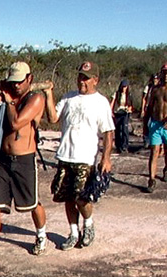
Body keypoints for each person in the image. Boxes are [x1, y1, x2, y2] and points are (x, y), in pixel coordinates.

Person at [0, 61, 48, 267]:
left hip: (24, 160)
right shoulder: (7, 100)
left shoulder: (35, 99)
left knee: (33, 203)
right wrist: (2, 101)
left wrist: (9, 102)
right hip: (2, 160)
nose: (15, 86)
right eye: (12, 82)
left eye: (19, 81)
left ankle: (41, 235)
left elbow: (16, 123)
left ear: (29, 79)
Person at [44, 61, 115, 251]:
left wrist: (106, 158)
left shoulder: (101, 102)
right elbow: (52, 118)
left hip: (85, 158)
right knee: (67, 197)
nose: (81, 81)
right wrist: (48, 94)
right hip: (65, 156)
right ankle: (73, 232)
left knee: (82, 198)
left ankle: (89, 224)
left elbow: (108, 132)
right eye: (80, 77)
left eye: (86, 78)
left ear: (95, 80)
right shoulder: (69, 98)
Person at [143, 61, 167, 193]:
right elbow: (149, 107)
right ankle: (151, 179)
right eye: (163, 72)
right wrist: (145, 124)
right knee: (154, 151)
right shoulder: (155, 89)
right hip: (155, 123)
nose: (165, 75)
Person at [110, 79, 133, 153]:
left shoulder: (129, 95)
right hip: (118, 113)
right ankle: (118, 145)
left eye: (125, 87)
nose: (124, 88)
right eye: (123, 87)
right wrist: (111, 111)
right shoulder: (117, 93)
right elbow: (112, 102)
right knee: (117, 130)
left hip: (125, 113)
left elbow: (131, 105)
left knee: (124, 129)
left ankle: (125, 146)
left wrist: (129, 109)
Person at [141, 74, 160, 148]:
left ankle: (153, 141)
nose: (155, 81)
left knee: (154, 125)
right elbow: (144, 98)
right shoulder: (148, 87)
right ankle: (146, 140)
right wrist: (142, 109)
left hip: (155, 109)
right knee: (146, 124)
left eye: (157, 79)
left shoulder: (159, 88)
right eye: (154, 79)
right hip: (148, 107)